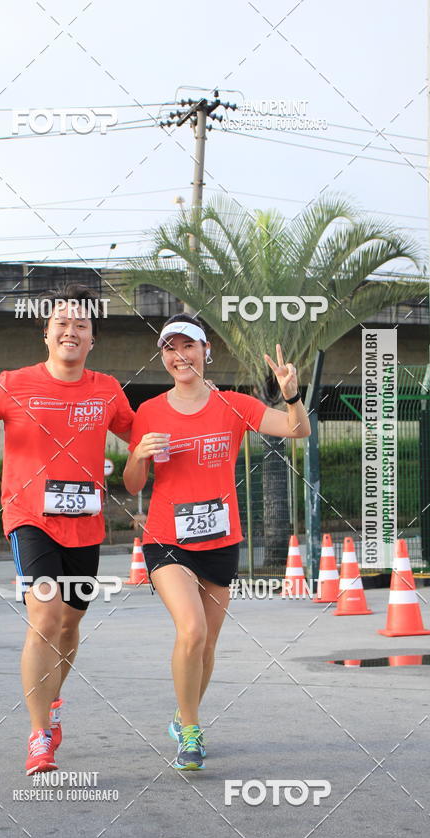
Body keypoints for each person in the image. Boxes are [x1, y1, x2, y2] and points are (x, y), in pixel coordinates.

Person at [124, 314, 311, 770]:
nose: (179, 355)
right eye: (170, 348)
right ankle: (191, 731)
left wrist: (291, 393)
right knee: (191, 630)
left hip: (221, 539)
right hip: (167, 539)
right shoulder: (148, 411)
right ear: (163, 356)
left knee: (205, 646)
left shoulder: (235, 405)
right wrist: (138, 454)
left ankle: (183, 712)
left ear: (207, 352)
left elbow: (298, 429)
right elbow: (131, 485)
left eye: (188, 346)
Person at [0, 285, 134, 774]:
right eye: (62, 323)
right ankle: (39, 736)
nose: (70, 331)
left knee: (69, 625)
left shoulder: (106, 389)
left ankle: (54, 700)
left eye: (81, 325)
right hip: (30, 518)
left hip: (85, 524)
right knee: (44, 615)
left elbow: (140, 431)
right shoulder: (12, 383)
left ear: (92, 340)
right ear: (47, 332)